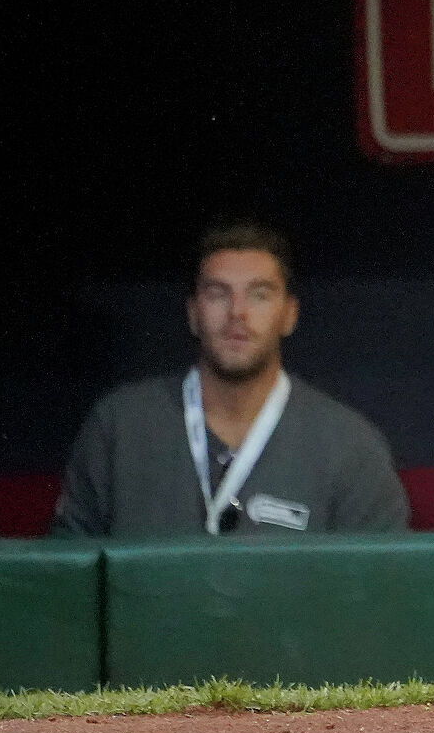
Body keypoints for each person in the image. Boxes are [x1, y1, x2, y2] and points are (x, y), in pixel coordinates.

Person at [50, 221, 408, 538]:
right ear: (192, 313)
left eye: (259, 294)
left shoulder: (351, 448)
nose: (237, 312)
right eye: (218, 293)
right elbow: (66, 584)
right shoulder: (119, 428)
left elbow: (382, 596)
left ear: (289, 315)